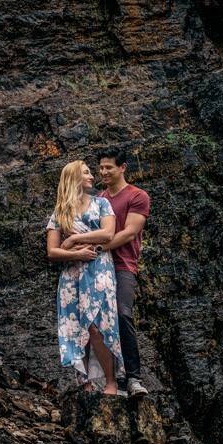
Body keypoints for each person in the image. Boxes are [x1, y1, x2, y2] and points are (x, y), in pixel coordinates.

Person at [45, 159, 124, 394]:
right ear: (73, 178)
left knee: (99, 326)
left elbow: (108, 234)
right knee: (78, 328)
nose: (92, 176)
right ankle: (85, 382)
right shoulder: (60, 213)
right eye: (86, 172)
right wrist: (77, 252)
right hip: (72, 276)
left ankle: (111, 381)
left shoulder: (102, 204)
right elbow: (51, 251)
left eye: (91, 172)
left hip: (99, 271)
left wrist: (76, 239)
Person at [96, 149, 150, 396]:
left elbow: (130, 232)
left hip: (122, 265)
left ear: (123, 168)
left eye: (109, 167)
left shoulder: (137, 196)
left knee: (122, 313)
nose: (104, 172)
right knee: (95, 321)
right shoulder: (99, 198)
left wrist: (99, 248)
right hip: (96, 266)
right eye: (101, 168)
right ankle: (105, 378)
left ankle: (133, 378)